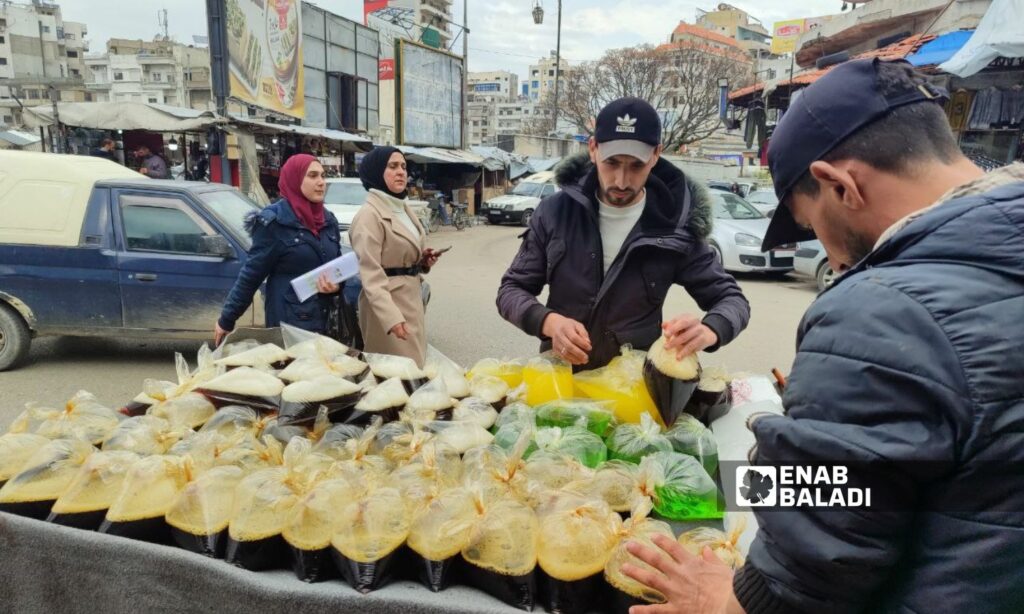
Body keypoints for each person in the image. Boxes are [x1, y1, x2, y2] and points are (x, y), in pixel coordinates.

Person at [623, 59, 1024, 613]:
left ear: (840, 184)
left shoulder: (884, 308)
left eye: (812, 226)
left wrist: (733, 598)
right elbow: (904, 480)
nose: (830, 256)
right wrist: (768, 463)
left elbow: (817, 561)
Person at [496, 97, 750, 370]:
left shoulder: (675, 224)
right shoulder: (555, 212)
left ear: (655, 155)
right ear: (593, 149)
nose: (621, 181)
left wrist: (709, 330)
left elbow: (732, 300)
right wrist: (548, 322)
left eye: (636, 166)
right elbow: (511, 289)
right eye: (612, 162)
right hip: (560, 380)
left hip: (634, 387)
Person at [215, 154, 342, 345]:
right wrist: (227, 319)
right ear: (295, 179)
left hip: (327, 322)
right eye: (313, 176)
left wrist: (336, 286)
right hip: (290, 324)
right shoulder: (274, 223)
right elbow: (251, 274)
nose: (321, 182)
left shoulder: (328, 220)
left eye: (323, 176)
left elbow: (338, 268)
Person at [349, 146, 443, 367]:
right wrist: (390, 317)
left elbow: (398, 252)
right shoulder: (369, 216)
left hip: (411, 298)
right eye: (392, 166)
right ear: (376, 171)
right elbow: (370, 273)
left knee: (414, 369)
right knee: (397, 377)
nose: (401, 171)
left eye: (403, 166)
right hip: (387, 305)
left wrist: (421, 260)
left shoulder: (401, 207)